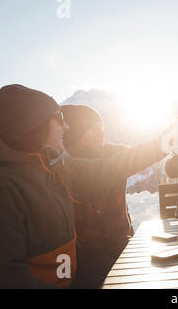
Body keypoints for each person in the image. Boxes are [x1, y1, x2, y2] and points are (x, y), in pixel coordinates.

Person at [0, 85, 167, 288]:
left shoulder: (53, 165)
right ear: (35, 125)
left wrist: (165, 143)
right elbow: (6, 277)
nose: (65, 127)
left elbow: (110, 168)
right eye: (58, 119)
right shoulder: (0, 187)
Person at [61, 104, 154, 288]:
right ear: (74, 134)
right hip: (83, 259)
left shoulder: (113, 153)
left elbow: (140, 154)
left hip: (123, 246)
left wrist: (170, 140)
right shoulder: (64, 167)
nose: (101, 134)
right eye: (93, 130)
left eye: (101, 128)